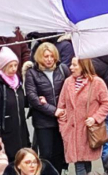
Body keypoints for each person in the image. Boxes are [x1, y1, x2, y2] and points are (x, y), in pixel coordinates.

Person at [57, 57, 108, 175]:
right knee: (80, 163)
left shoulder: (97, 82)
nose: (71, 68)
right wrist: (64, 126)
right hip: (72, 132)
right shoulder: (68, 82)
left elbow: (106, 103)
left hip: (87, 131)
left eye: (74, 65)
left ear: (84, 65)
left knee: (85, 162)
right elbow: (61, 105)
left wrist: (95, 118)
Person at [23, 43, 68, 172]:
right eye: (46, 56)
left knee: (59, 154)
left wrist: (62, 110)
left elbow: (69, 90)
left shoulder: (62, 69)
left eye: (51, 56)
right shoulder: (32, 73)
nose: (49, 59)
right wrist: (54, 111)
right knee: (46, 154)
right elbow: (33, 98)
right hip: (43, 122)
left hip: (61, 120)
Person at [0, 47, 30, 160]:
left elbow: (20, 100)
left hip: (20, 130)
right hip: (6, 132)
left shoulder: (17, 81)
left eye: (15, 65)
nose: (14, 69)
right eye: (10, 66)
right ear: (3, 66)